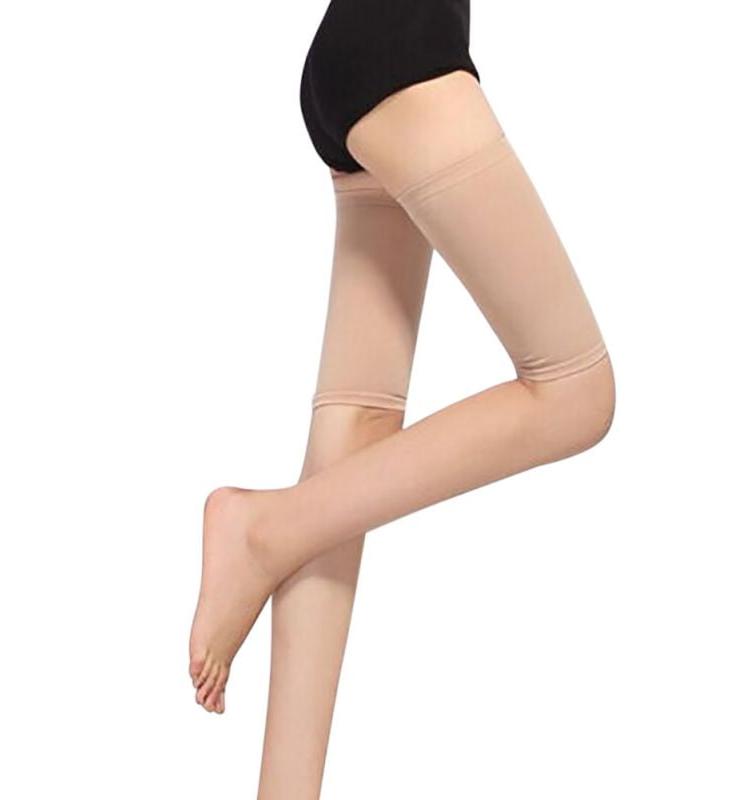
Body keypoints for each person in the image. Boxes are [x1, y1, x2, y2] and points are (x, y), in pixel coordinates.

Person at [189, 2, 616, 798]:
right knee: (576, 390)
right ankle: (260, 530)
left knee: (358, 431)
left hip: (375, 53)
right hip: (403, 56)